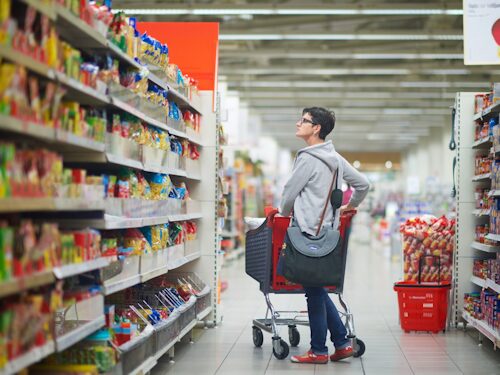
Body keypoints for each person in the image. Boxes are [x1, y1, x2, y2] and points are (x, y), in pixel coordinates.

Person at [280, 107, 370, 364]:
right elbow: (363, 185)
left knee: (314, 291)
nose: (298, 123)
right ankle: (341, 343)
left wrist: (284, 213)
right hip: (328, 235)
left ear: (316, 127)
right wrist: (349, 207)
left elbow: (289, 193)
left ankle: (319, 351)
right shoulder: (335, 158)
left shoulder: (308, 157)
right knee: (316, 287)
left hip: (306, 233)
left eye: (304, 120)